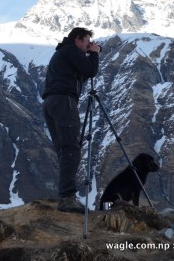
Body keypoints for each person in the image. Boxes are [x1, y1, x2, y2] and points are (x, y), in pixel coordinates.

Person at [42, 27, 101, 213]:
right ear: (78, 39)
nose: (87, 46)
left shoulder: (63, 53)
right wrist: (94, 54)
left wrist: (90, 54)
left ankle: (65, 195)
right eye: (86, 42)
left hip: (51, 103)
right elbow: (90, 70)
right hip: (64, 102)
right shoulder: (71, 51)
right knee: (71, 149)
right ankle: (67, 198)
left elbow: (81, 75)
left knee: (64, 149)